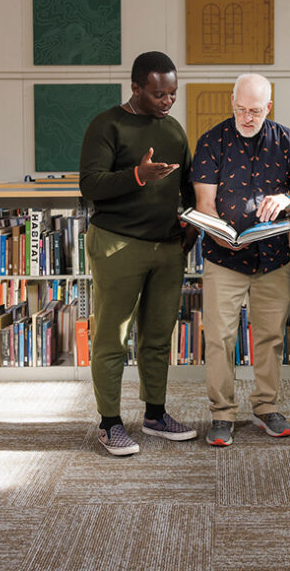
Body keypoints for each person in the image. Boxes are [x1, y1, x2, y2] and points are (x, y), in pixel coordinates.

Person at [79, 51, 200, 456]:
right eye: (158, 94)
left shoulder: (175, 130)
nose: (167, 102)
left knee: (158, 336)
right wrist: (137, 176)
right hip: (118, 244)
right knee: (113, 337)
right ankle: (109, 424)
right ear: (135, 88)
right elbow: (91, 185)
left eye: (172, 94)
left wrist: (192, 226)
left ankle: (155, 414)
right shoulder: (107, 125)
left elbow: (187, 187)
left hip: (167, 246)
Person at [191, 73, 290, 447]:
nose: (247, 117)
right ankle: (222, 414)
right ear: (232, 102)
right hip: (223, 257)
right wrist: (222, 234)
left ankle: (266, 407)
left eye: (255, 111)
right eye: (241, 109)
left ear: (268, 108)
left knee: (271, 336)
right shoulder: (211, 141)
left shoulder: (286, 140)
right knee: (220, 338)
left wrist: (286, 201)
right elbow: (204, 204)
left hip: (273, 256)